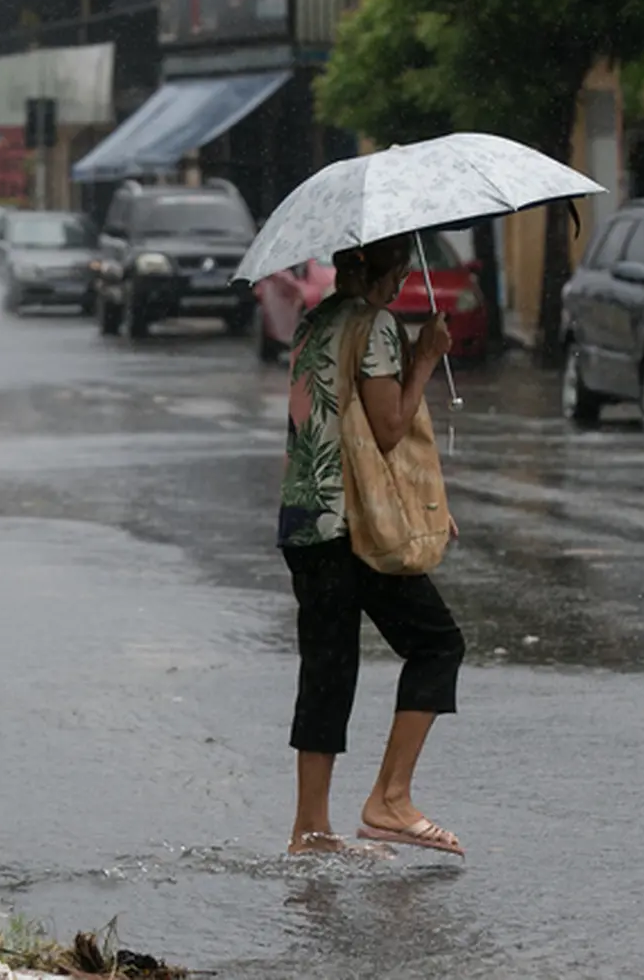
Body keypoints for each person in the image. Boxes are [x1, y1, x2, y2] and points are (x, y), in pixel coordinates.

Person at [277, 231, 465, 858]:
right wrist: (427, 357)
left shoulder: (314, 323)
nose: (403, 281)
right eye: (400, 269)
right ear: (377, 271)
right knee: (437, 643)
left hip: (306, 521)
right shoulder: (377, 326)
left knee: (327, 670)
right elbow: (387, 430)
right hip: (357, 526)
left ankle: (309, 830)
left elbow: (335, 427)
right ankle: (390, 798)